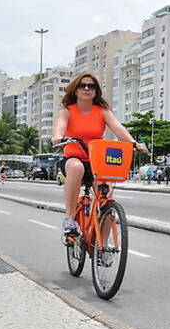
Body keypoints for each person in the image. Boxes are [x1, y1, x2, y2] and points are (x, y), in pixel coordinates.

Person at [51, 73, 145, 236]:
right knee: (76, 167)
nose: (87, 88)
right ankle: (69, 218)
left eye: (91, 86)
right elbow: (60, 127)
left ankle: (103, 247)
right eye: (82, 85)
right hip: (74, 158)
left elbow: (118, 129)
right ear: (75, 90)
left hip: (97, 162)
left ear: (96, 91)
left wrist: (133, 143)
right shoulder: (67, 111)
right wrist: (58, 137)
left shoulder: (102, 111)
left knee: (107, 201)